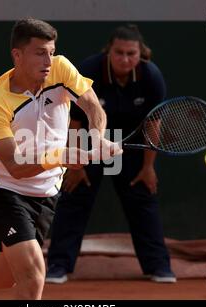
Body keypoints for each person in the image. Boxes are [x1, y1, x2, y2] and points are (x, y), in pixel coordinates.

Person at [0, 18, 120, 300]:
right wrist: (62, 157)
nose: (48, 61)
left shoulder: (61, 68)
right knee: (30, 287)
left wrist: (98, 137)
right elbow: (15, 166)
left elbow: (92, 106)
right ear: (18, 55)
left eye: (51, 52)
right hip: (8, 195)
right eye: (40, 52)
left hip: (47, 197)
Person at [46, 24, 176, 284]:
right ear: (108, 52)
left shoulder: (151, 77)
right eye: (119, 53)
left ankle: (159, 267)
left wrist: (148, 167)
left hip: (130, 143)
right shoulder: (89, 71)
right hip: (90, 139)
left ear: (141, 54)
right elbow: (75, 121)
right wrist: (76, 165)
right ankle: (57, 267)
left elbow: (153, 124)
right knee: (74, 196)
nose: (125, 59)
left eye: (131, 53)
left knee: (142, 198)